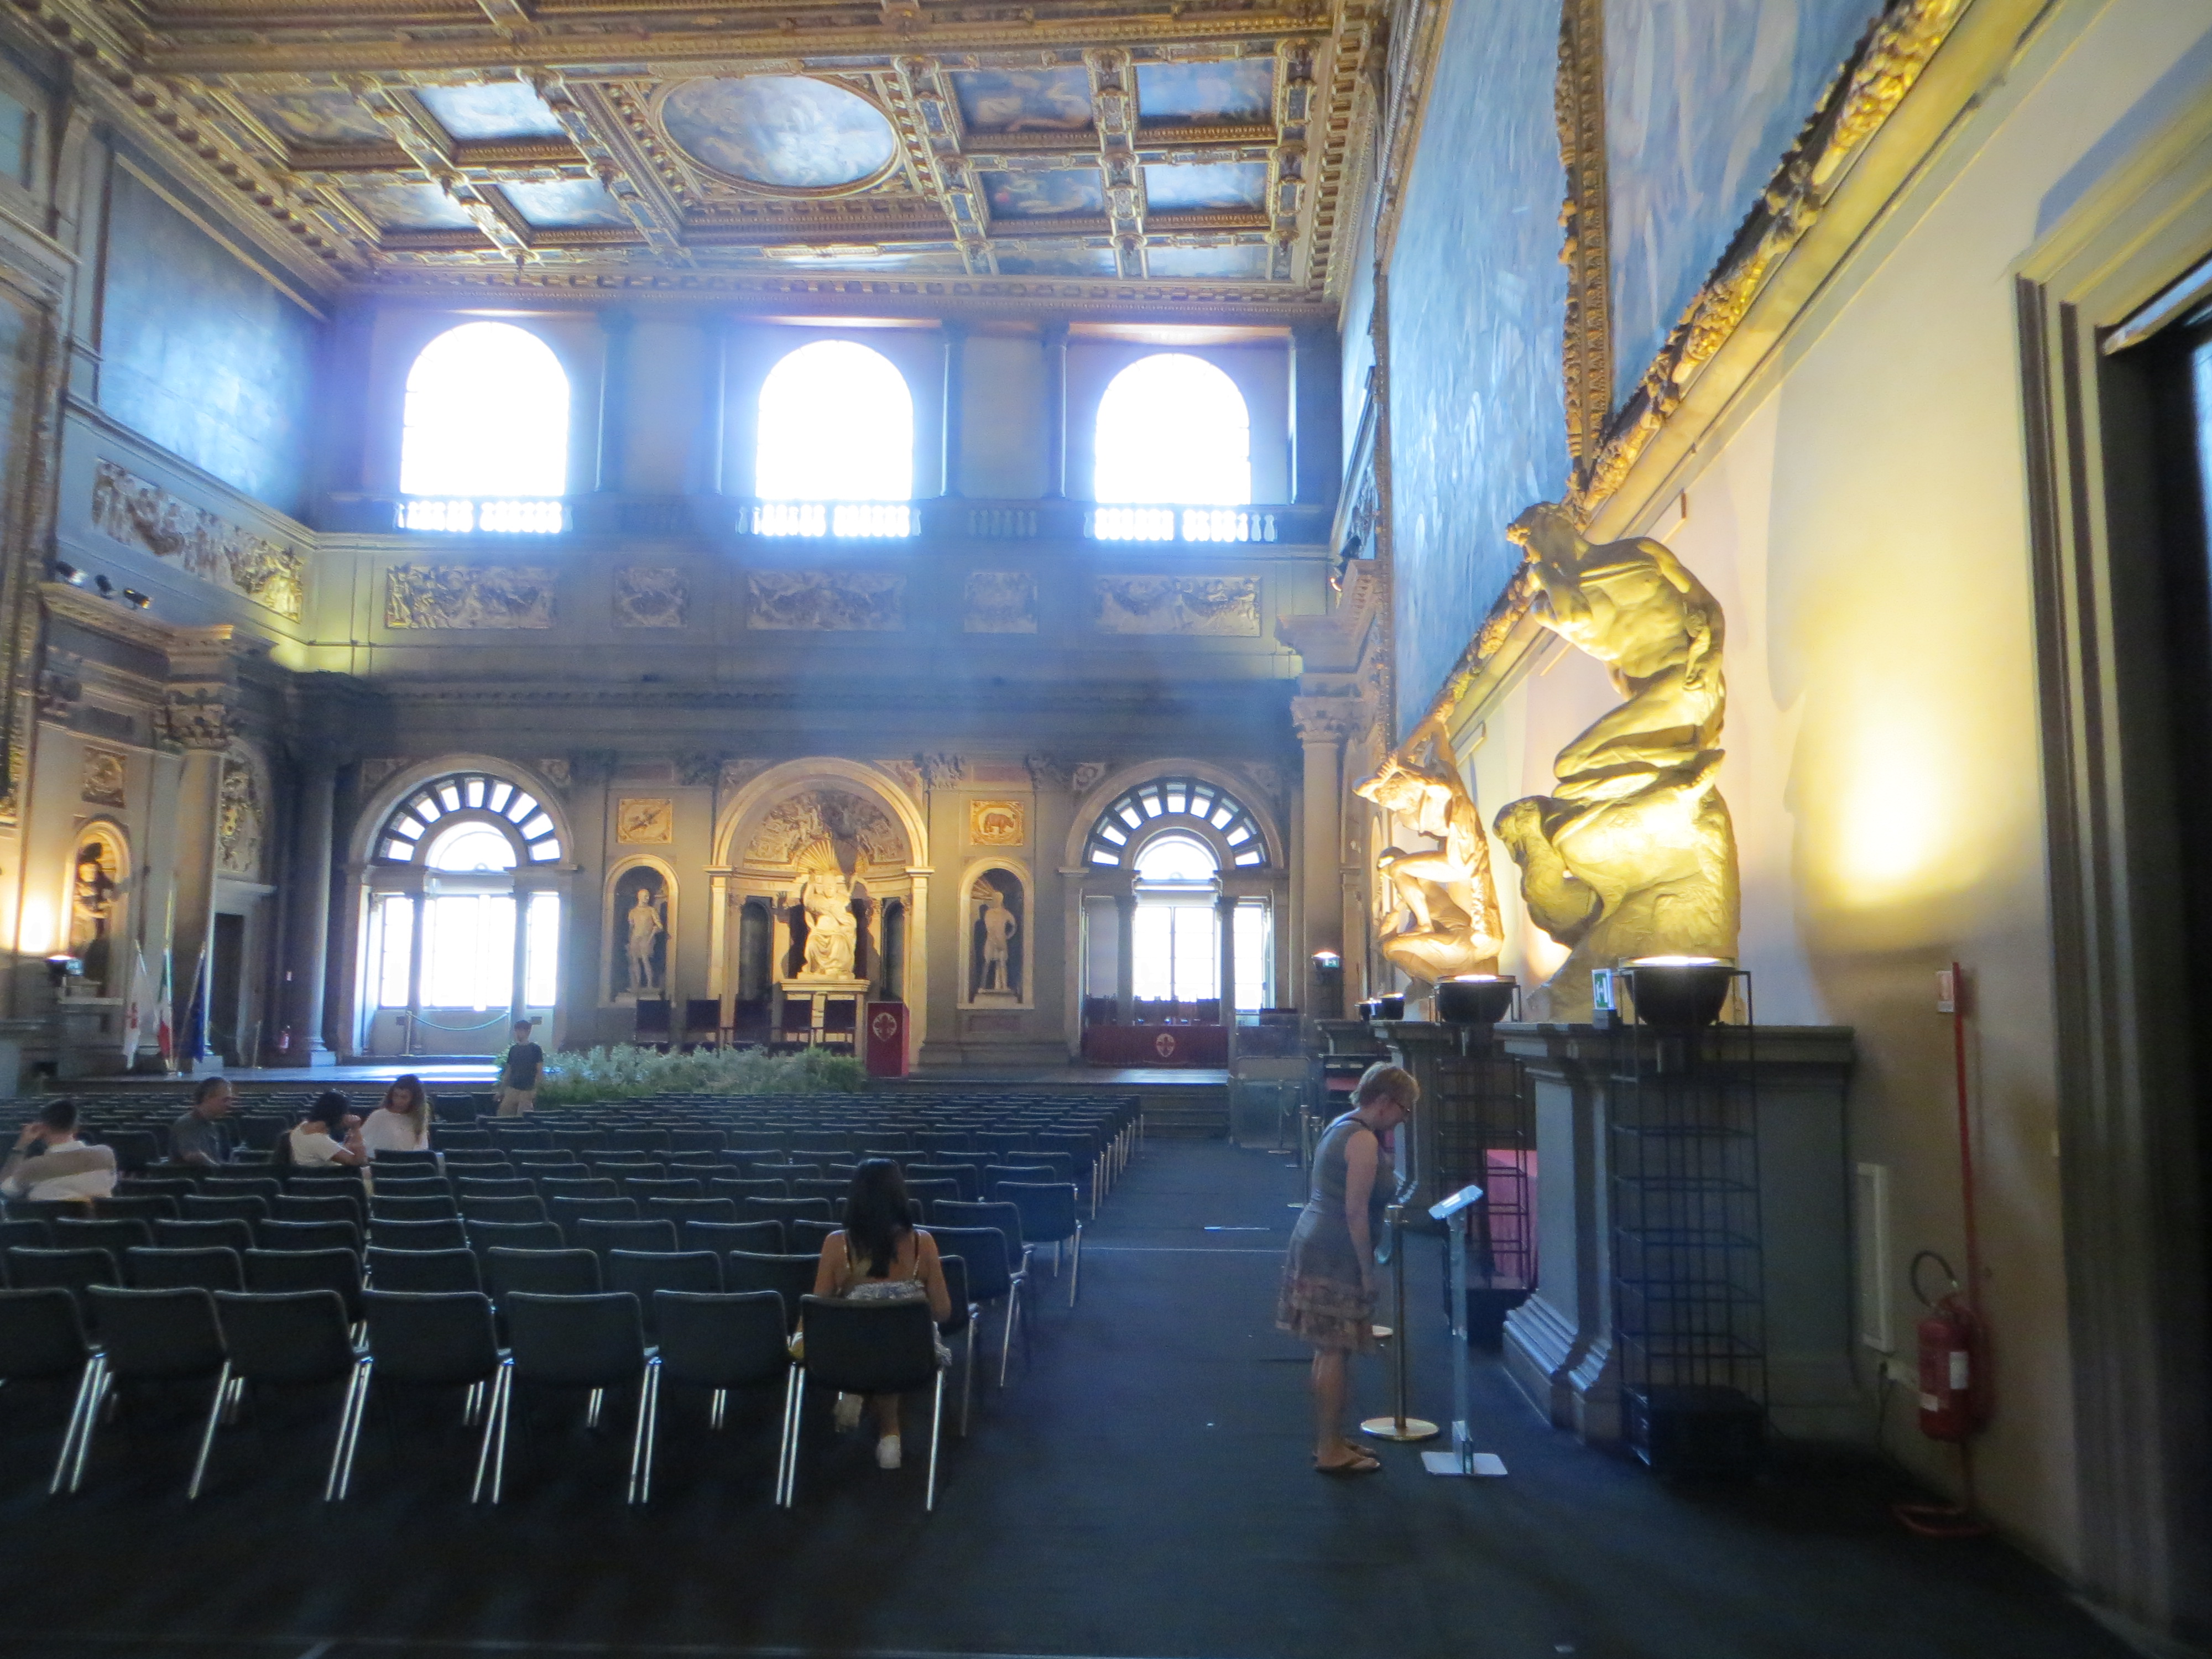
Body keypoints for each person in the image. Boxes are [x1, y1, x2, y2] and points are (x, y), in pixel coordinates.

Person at [1276, 1062, 1419, 1474]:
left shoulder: (1342, 1125)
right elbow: (1355, 1212)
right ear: (1384, 1101)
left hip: (1317, 1239)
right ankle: (1329, 1449)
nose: (1404, 1119)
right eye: (1405, 1109)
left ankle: (1332, 1439)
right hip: (1335, 1250)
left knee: (1328, 1349)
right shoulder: (1362, 1141)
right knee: (1334, 1350)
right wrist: (1367, 1271)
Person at [810, 1158, 952, 1470]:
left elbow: (819, 1310)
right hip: (911, 1357)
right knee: (892, 1340)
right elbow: (943, 1312)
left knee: (872, 1339)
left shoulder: (836, 1244)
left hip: (851, 1356)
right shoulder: (923, 1243)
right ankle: (891, 1435)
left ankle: (864, 1402)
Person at [0, 1100, 116, 1203]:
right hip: (101, 1220)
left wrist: (21, 1146)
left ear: (42, 1128)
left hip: (50, 1221)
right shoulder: (106, 1154)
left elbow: (4, 1191)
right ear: (76, 1128)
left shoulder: (33, 1167)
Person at [281, 1091, 366, 1169]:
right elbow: (359, 1162)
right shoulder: (320, 1142)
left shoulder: (302, 1126)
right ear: (338, 1115)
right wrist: (356, 1129)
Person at [169, 1076, 234, 1166]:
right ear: (207, 1097)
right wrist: (220, 1170)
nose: (229, 1105)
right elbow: (193, 1156)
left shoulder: (210, 1124)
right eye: (225, 1100)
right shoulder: (187, 1124)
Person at [361, 1074, 432, 1157]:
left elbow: (421, 1149)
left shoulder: (418, 1120)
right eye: (396, 1095)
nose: (398, 1101)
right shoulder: (379, 1116)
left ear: (414, 1100)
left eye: (404, 1097)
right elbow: (364, 1145)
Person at [497, 1021, 543, 1117]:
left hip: (527, 1089)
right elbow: (509, 1070)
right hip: (512, 1088)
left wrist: (536, 1089)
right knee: (504, 1114)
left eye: (521, 1031)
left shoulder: (535, 1049)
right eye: (517, 1031)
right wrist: (502, 1090)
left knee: (523, 1117)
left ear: (528, 1032)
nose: (518, 1033)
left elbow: (539, 1071)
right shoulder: (514, 1049)